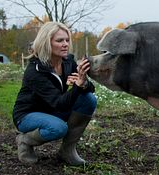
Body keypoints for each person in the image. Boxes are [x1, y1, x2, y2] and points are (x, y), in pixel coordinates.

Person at [12, 21, 97, 166]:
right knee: (57, 128)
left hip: (52, 109)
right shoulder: (36, 71)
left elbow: (90, 88)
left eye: (67, 40)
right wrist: (77, 86)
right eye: (59, 40)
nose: (65, 44)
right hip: (28, 115)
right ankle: (24, 141)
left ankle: (67, 151)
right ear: (46, 43)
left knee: (89, 99)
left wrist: (83, 83)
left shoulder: (68, 62)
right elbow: (60, 103)